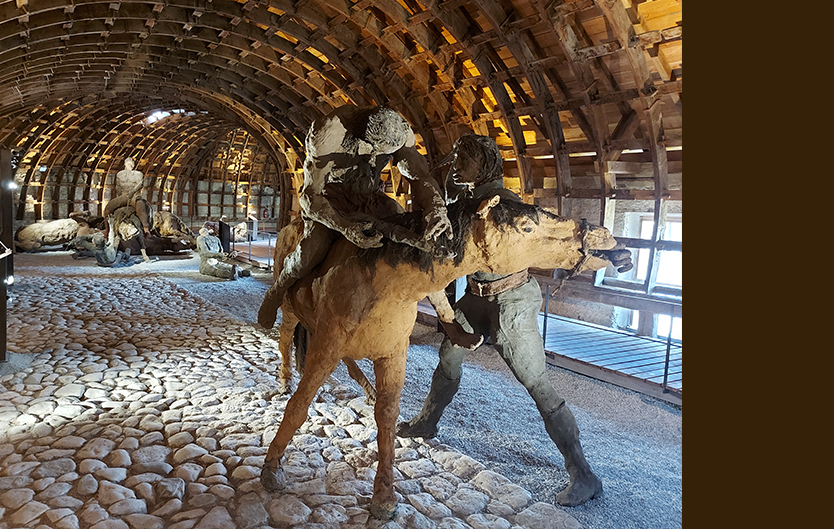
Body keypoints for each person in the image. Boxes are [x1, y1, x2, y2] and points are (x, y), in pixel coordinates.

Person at [397, 133, 633, 507]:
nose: (456, 162)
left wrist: (607, 253)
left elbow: (551, 233)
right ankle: (428, 420)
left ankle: (583, 473)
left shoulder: (505, 206)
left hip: (512, 300)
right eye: (456, 156)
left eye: (464, 157)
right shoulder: (466, 200)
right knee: (448, 356)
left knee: (536, 383)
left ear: (484, 163)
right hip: (476, 297)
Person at [256, 106, 482, 348]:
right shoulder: (329, 133)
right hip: (331, 201)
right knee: (313, 248)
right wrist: (343, 226)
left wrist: (436, 209)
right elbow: (310, 197)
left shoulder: (402, 134)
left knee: (421, 244)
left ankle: (448, 321)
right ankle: (277, 291)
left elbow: (420, 177)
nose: (376, 160)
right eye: (374, 152)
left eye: (384, 156)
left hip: (371, 197)